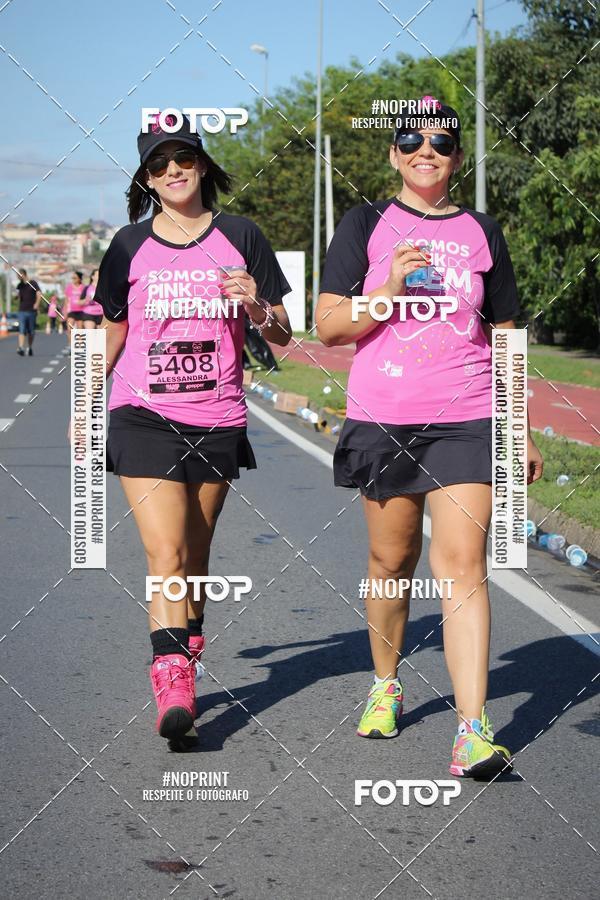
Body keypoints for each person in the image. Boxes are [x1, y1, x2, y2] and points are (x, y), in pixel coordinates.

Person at [317, 97, 543, 779]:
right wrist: (385, 285)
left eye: (441, 142)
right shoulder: (365, 223)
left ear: (456, 157)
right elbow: (329, 325)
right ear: (393, 152)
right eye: (412, 139)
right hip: (383, 415)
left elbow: (504, 332)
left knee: (464, 565)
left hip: (467, 416)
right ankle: (386, 682)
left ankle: (473, 731)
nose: (426, 151)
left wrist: (519, 426)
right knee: (391, 561)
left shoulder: (482, 231)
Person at [95, 112, 292, 745]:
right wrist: (81, 404)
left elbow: (282, 336)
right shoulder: (128, 245)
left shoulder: (241, 235)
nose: (173, 172)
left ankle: (186, 640)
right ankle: (173, 675)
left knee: (197, 554)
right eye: (159, 165)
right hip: (141, 412)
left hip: (216, 416)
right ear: (146, 179)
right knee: (167, 551)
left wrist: (256, 303)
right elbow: (114, 333)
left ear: (202, 165)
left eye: (182, 160)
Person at [15, 269, 42, 356]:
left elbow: (39, 294)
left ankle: (29, 347)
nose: (17, 277)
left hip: (31, 311)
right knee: (22, 329)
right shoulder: (20, 285)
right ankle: (21, 347)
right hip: (22, 310)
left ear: (23, 274)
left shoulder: (33, 283)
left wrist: (37, 304)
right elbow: (18, 295)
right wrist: (16, 297)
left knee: (31, 331)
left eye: (19, 275)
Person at [63, 270, 85, 354]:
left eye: (75, 278)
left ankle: (79, 347)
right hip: (71, 311)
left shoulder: (83, 287)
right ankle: (71, 345)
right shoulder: (69, 287)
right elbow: (66, 300)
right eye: (72, 278)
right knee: (69, 329)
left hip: (81, 311)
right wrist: (65, 311)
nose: (73, 279)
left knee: (80, 330)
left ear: (79, 279)